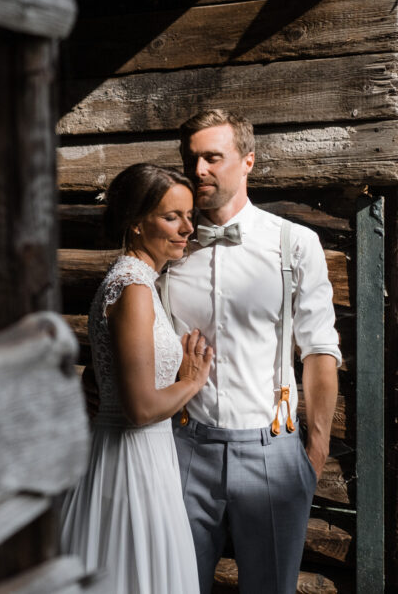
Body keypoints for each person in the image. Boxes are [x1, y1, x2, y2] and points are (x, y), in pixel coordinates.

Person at [161, 110, 341, 594]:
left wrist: (313, 455)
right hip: (184, 451)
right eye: (192, 159)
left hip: (271, 454)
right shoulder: (172, 248)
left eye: (212, 157)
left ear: (248, 162)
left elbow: (320, 350)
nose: (199, 170)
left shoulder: (293, 243)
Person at [60, 163, 212, 593]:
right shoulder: (133, 289)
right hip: (130, 460)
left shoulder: (133, 281)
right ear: (135, 224)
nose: (187, 227)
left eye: (188, 215)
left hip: (139, 455)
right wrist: (192, 381)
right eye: (171, 216)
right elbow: (141, 408)